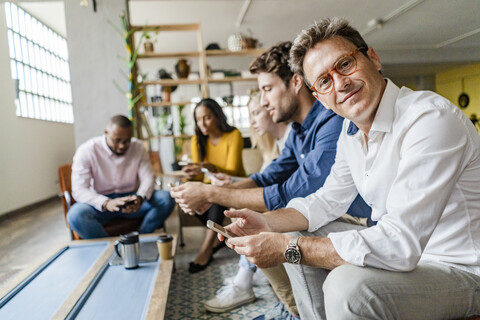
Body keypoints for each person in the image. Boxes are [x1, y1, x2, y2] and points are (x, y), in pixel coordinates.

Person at [221, 18, 480, 320]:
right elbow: (327, 200)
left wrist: (287, 249)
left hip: (461, 270)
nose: (340, 83)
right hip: (411, 257)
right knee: (293, 226)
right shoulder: (350, 131)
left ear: (373, 58)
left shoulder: (429, 119)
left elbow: (399, 244)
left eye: (344, 64)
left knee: (348, 287)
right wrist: (267, 223)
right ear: (320, 98)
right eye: (324, 81)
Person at [171, 42, 371, 319]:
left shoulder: (331, 120)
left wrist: (211, 194)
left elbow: (294, 188)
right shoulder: (300, 130)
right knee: (257, 226)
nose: (263, 101)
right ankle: (292, 308)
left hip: (362, 221)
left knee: (288, 232)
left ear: (296, 82)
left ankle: (300, 313)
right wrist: (217, 190)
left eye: (267, 89)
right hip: (333, 213)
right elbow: (269, 176)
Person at [204, 90, 291, 313]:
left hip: (292, 210)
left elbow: (277, 189)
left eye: (256, 113)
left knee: (243, 209)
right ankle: (245, 278)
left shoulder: (290, 140)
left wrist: (220, 190)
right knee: (238, 207)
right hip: (284, 207)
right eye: (250, 114)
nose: (252, 121)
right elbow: (263, 181)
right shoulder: (274, 145)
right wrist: (230, 181)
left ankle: (243, 282)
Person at [68, 115, 175, 239]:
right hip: (100, 203)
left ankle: (142, 237)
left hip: (131, 200)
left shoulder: (138, 147)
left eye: (127, 141)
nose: (122, 146)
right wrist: (106, 202)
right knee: (75, 215)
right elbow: (79, 190)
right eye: (117, 140)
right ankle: (113, 249)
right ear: (106, 133)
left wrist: (140, 197)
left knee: (167, 198)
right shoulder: (87, 150)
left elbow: (148, 177)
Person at [183, 98, 246, 273]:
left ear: (217, 116)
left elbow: (232, 170)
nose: (202, 124)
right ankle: (217, 240)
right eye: (198, 119)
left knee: (217, 196)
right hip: (209, 188)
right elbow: (199, 175)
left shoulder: (234, 135)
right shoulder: (197, 141)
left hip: (234, 184)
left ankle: (206, 250)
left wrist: (210, 167)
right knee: (185, 192)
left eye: (207, 118)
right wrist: (191, 174)